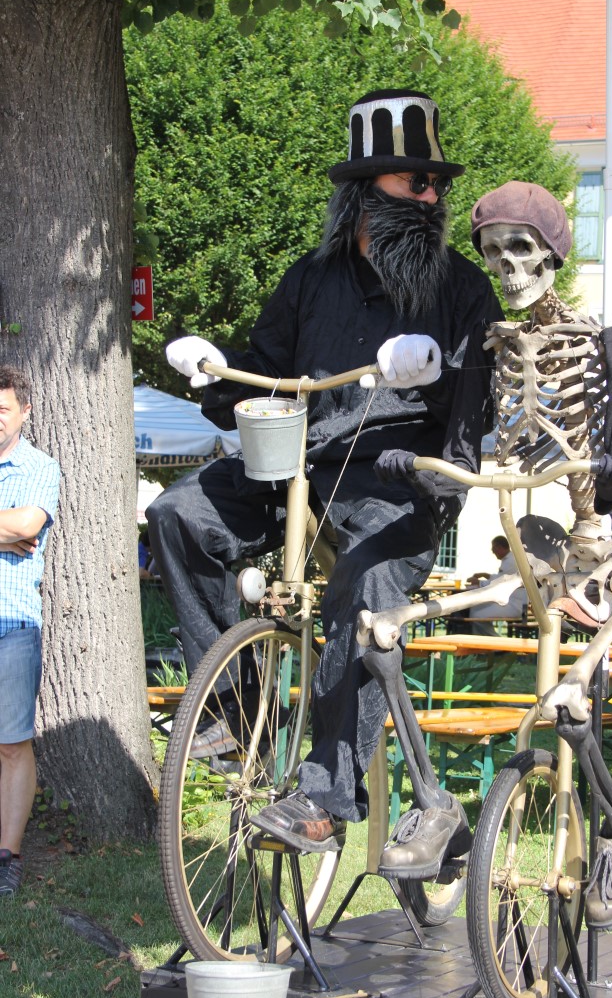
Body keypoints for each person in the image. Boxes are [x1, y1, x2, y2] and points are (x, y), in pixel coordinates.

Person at [147, 89, 503, 862]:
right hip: (292, 464)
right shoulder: (310, 278)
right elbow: (260, 380)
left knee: (367, 587)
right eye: (418, 182)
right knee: (178, 515)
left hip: (395, 477)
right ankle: (235, 710)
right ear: (365, 190)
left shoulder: (465, 290)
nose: (435, 196)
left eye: (437, 183)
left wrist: (437, 385)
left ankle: (326, 796)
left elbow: (476, 419)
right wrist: (210, 373)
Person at [0, 366, 60, 896]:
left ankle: (8, 857)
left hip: (13, 624)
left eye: (2, 409)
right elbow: (9, 527)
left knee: (12, 745)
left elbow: (26, 527)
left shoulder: (40, 466)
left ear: (24, 412)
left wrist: (13, 528)